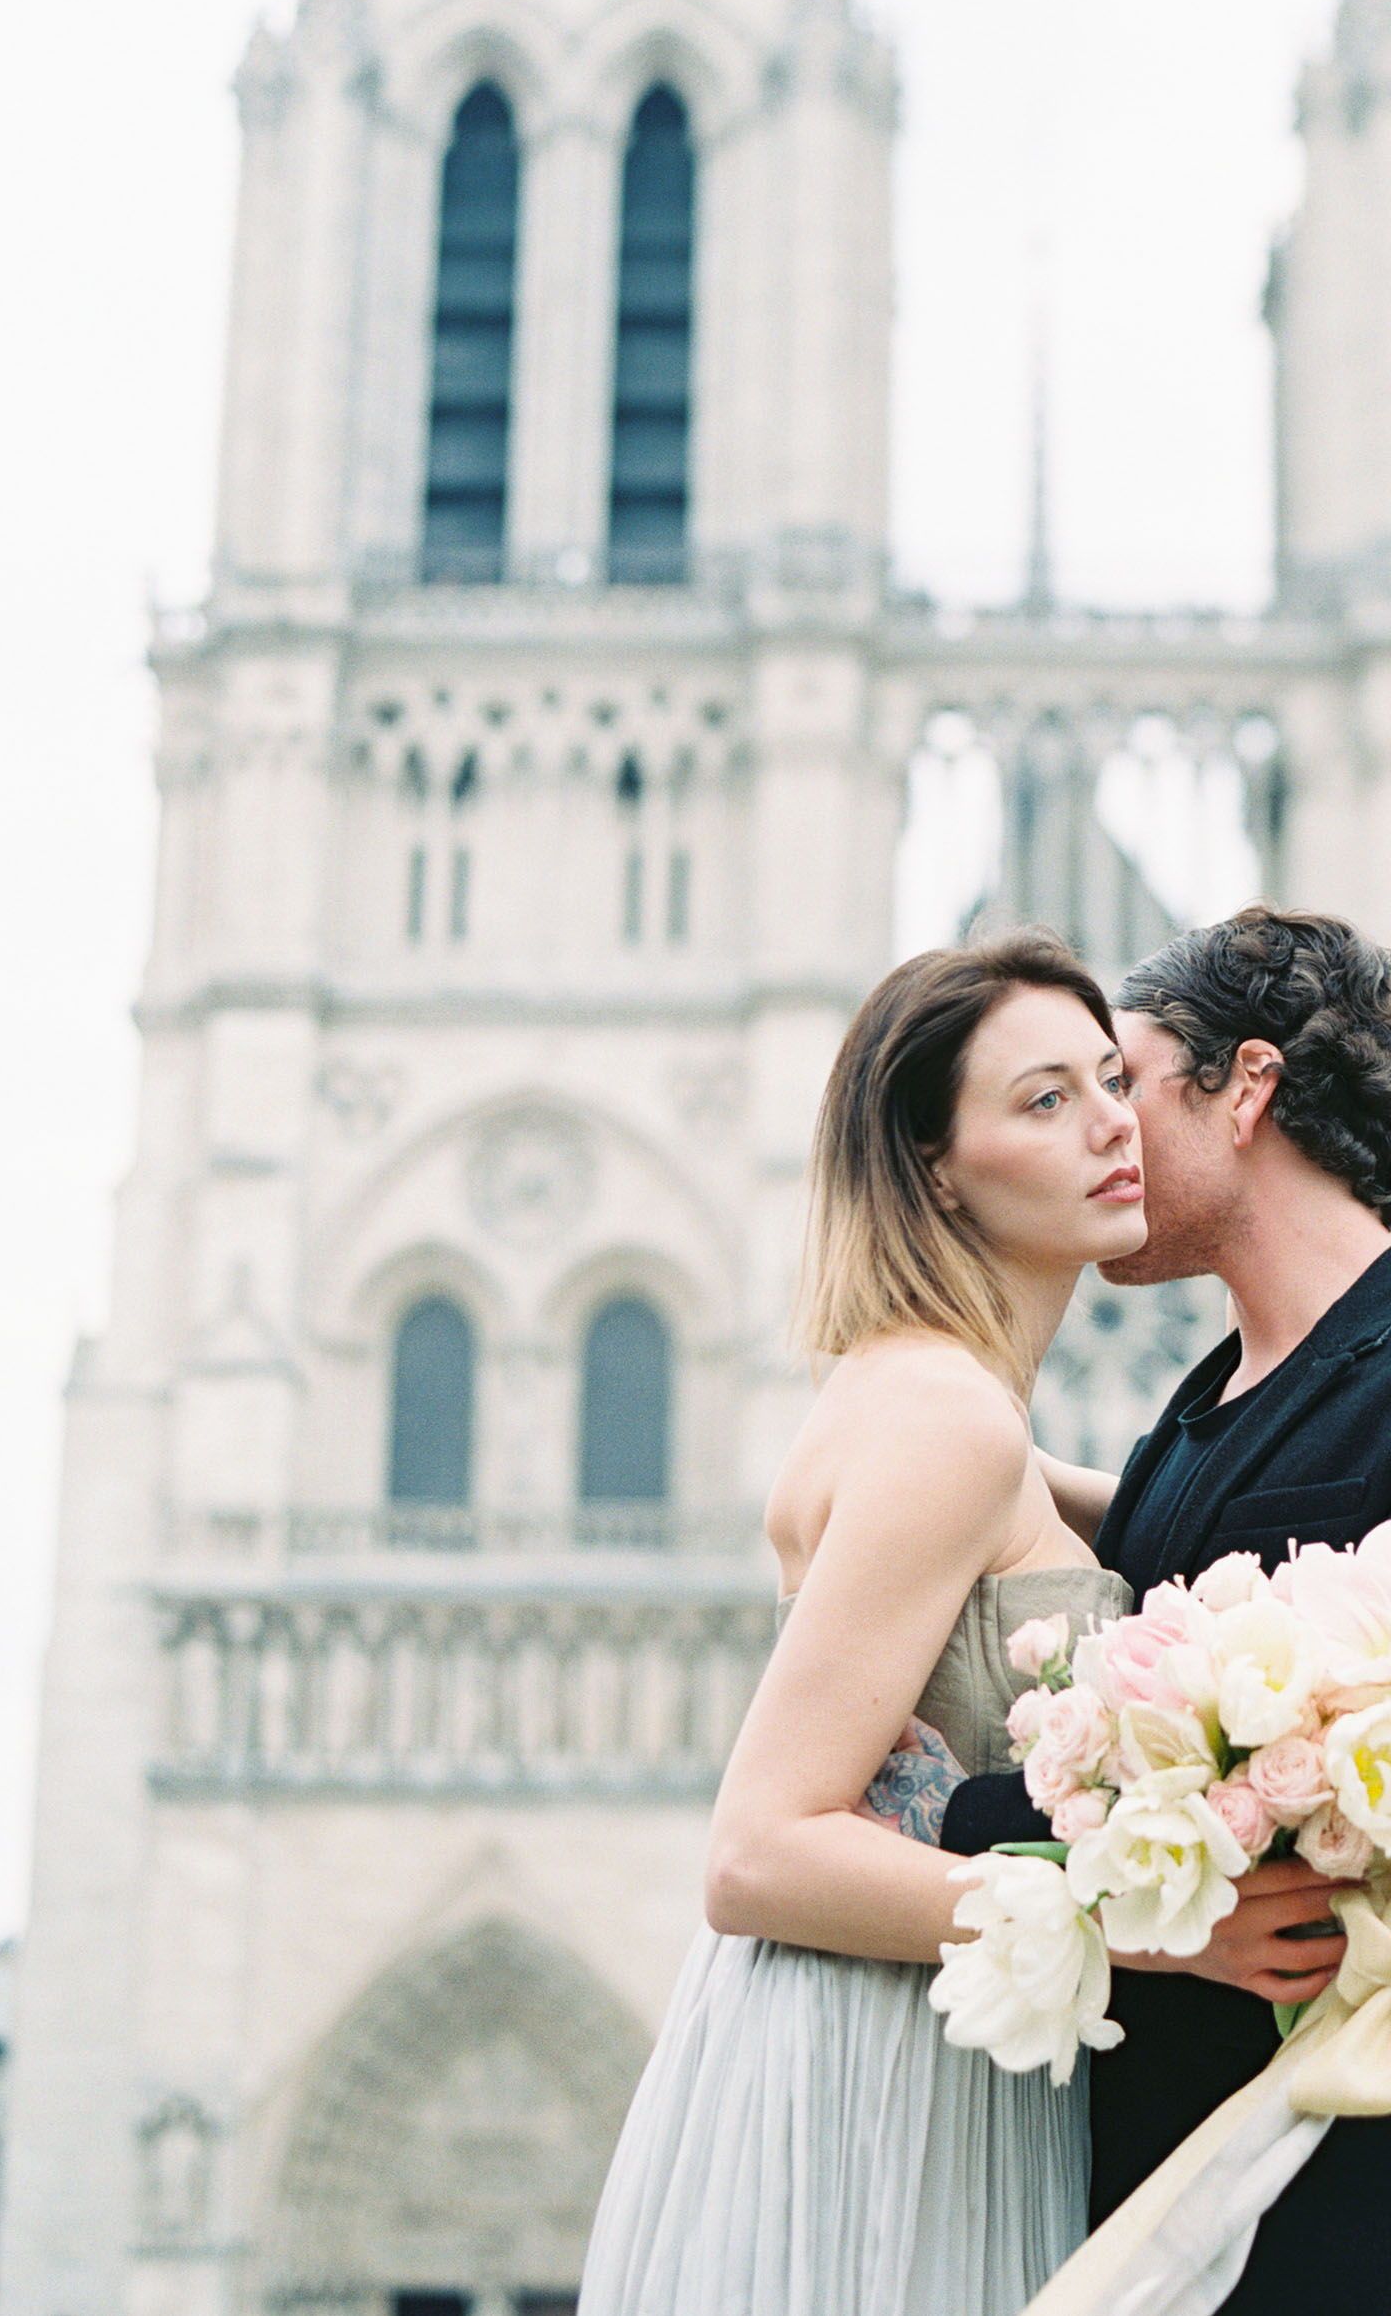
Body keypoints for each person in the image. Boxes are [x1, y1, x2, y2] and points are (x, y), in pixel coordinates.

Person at [577, 928, 1350, 2316]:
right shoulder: (946, 1421)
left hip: (872, 2042)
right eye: (1043, 1099)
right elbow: (756, 1851)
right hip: (883, 2073)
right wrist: (1151, 1929)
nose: (1112, 1123)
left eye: (1112, 1078)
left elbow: (1146, 1523)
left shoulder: (932, 1399)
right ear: (935, 1163)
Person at [942, 905, 1391, 2316]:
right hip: (1174, 2193)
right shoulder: (1184, 1430)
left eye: (1124, 1084)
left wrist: (931, 1817)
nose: (1103, 1134)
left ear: (1246, 1085)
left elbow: (1361, 1788)